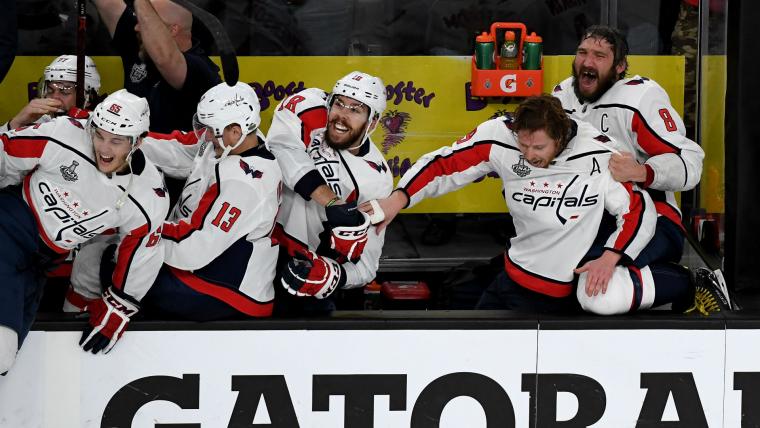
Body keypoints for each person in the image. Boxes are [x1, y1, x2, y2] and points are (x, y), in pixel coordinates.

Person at [368, 95, 708, 315]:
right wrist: (399, 198)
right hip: (511, 279)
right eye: (524, 144)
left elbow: (638, 211)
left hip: (561, 299)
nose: (529, 154)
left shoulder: (601, 153)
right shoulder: (499, 137)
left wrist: (610, 257)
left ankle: (681, 282)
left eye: (539, 148)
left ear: (559, 138)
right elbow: (444, 164)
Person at [65, 82, 283, 321]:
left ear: (235, 130)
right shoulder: (229, 144)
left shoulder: (244, 184)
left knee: (98, 261)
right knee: (103, 245)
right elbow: (173, 151)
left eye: (211, 130)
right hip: (205, 270)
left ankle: (74, 337)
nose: (205, 135)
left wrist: (137, 225)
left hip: (221, 291)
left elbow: (193, 247)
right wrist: (115, 128)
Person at [552, 25, 729, 312]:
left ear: (620, 66)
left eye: (599, 56)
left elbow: (690, 162)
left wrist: (642, 171)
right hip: (589, 216)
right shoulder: (561, 96)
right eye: (583, 53)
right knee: (551, 279)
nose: (587, 62)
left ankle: (690, 282)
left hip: (652, 217)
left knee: (596, 293)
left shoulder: (639, 98)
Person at [0, 89, 169, 373]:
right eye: (99, 135)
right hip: (8, 231)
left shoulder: (148, 195)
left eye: (116, 141)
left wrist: (119, 306)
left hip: (38, 264)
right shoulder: (63, 133)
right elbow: (6, 156)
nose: (104, 148)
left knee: (5, 360)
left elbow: (141, 251)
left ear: (138, 141)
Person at [266, 71, 392, 314]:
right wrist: (331, 200)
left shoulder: (377, 179)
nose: (341, 116)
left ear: (373, 121)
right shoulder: (307, 105)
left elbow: (366, 266)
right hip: (259, 246)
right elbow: (280, 151)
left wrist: (331, 275)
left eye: (355, 110)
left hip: (301, 265)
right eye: (339, 103)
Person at [92, 0, 221, 133]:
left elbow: (165, 59)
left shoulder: (200, 68)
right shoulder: (139, 42)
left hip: (175, 152)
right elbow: (107, 3)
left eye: (147, 22)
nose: (136, 27)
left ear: (173, 29)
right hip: (130, 147)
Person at [2, 55, 101, 132]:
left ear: (89, 97)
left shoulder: (101, 131)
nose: (54, 97)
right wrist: (16, 122)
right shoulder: (40, 120)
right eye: (50, 90)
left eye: (65, 91)